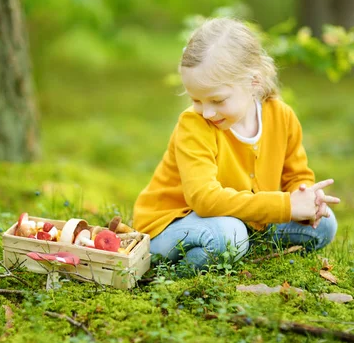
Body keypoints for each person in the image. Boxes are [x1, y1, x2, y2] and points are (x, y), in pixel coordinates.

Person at [132, 18, 340, 270]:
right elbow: (205, 200)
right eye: (196, 99)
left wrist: (306, 198)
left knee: (325, 225)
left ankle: (237, 251)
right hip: (172, 224)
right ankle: (162, 270)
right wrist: (285, 206)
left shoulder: (281, 116)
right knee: (228, 235)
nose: (206, 112)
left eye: (218, 100)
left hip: (241, 220)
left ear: (253, 82)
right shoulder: (194, 124)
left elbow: (296, 176)